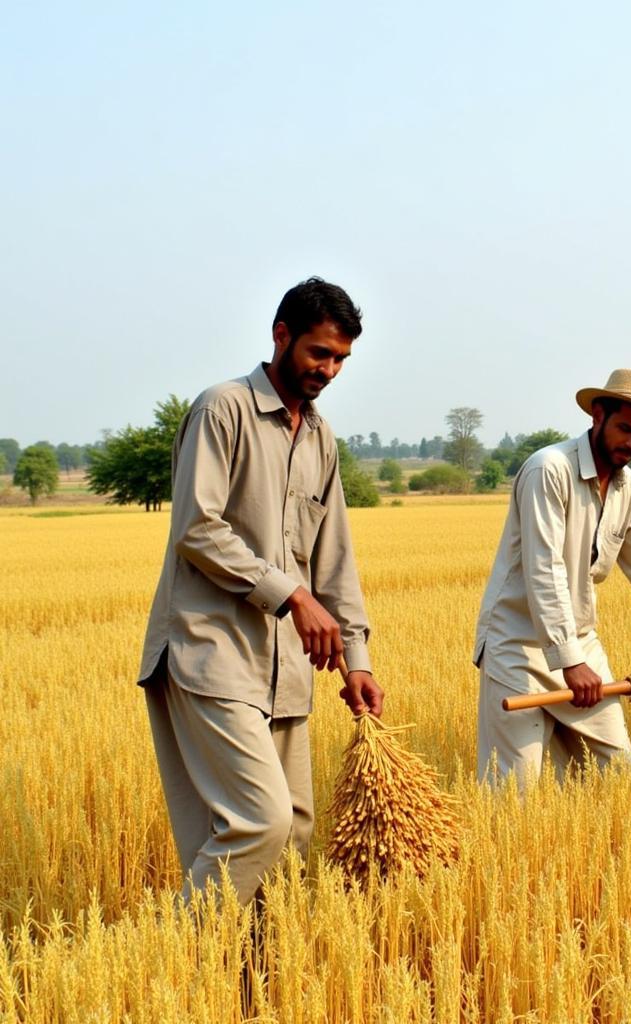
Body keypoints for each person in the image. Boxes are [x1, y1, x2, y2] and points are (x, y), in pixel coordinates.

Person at [138, 277, 383, 905]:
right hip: (211, 653)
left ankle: (253, 986)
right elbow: (197, 526)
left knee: (294, 838)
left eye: (340, 360)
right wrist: (292, 597)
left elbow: (334, 561)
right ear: (281, 336)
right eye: (318, 353)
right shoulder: (222, 409)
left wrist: (356, 660)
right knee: (259, 824)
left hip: (286, 670)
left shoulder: (320, 437)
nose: (328, 370)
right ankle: (177, 962)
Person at [474, 369, 631, 786]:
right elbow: (544, 568)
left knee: (618, 773)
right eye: (626, 428)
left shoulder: (626, 487)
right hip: (517, 645)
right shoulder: (549, 470)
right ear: (597, 415)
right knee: (515, 786)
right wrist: (569, 660)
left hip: (581, 643)